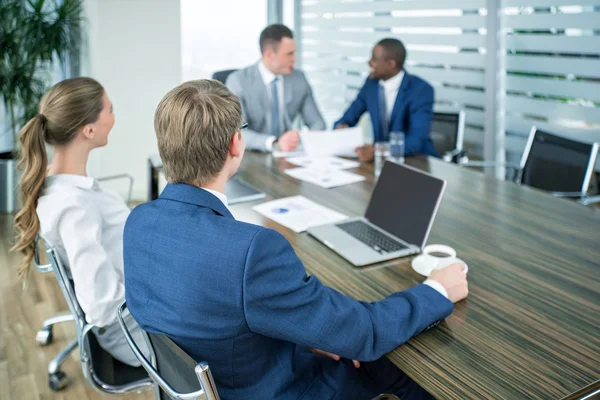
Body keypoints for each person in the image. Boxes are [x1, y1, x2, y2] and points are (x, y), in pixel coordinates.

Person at [124, 79, 468, 399]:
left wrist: (308, 331)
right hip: (277, 389)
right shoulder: (251, 251)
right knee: (403, 370)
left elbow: (213, 316)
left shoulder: (137, 221)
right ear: (235, 144)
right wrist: (436, 289)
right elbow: (365, 332)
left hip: (218, 382)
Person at [12, 77, 148, 367]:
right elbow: (101, 305)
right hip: (134, 333)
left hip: (138, 310)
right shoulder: (74, 206)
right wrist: (159, 292)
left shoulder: (56, 183)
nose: (114, 118)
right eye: (110, 110)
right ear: (89, 130)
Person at [226, 24, 325, 152]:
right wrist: (274, 143)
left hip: (289, 154)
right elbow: (237, 132)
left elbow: (318, 123)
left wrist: (299, 137)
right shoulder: (238, 81)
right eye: (289, 54)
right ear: (269, 55)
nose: (294, 59)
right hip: (252, 155)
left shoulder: (299, 78)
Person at [334, 38, 437, 161]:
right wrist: (341, 127)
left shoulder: (420, 90)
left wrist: (379, 150)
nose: (369, 63)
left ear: (391, 64)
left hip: (416, 161)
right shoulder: (371, 84)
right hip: (381, 163)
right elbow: (348, 117)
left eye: (374, 59)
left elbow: (416, 140)